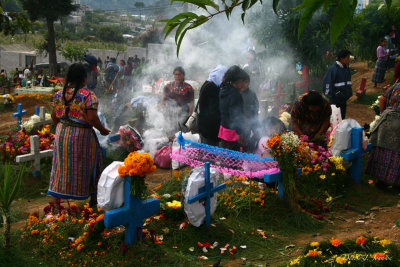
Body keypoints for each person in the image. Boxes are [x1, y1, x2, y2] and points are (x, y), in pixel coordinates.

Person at [49, 63, 111, 204]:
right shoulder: (88, 95)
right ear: (84, 78)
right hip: (81, 136)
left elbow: (54, 117)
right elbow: (91, 118)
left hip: (61, 133)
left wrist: (63, 128)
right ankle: (93, 199)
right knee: (88, 164)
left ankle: (55, 202)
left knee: (61, 166)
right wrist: (102, 130)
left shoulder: (59, 94)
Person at [366, 84, 400, 188]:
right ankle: (394, 182)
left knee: (383, 150)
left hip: (387, 118)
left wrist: (383, 113)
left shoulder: (397, 85)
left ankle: (380, 181)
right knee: (396, 152)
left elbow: (382, 99)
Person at [218, 66, 249, 151]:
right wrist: (239, 133)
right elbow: (235, 116)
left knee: (226, 155)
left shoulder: (223, 89)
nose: (243, 84)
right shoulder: (235, 94)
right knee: (233, 158)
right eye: (243, 81)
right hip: (233, 132)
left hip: (224, 128)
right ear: (238, 80)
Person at [198, 65, 227, 146]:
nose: (224, 80)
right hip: (210, 127)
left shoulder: (207, 84)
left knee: (206, 148)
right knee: (210, 151)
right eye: (224, 77)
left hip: (204, 124)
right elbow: (214, 110)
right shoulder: (212, 88)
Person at [322, 49, 353, 119]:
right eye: (347, 58)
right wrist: (334, 95)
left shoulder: (347, 69)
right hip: (335, 102)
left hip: (343, 101)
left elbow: (348, 83)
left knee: (342, 118)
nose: (349, 60)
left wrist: (349, 93)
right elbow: (327, 85)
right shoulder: (333, 70)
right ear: (342, 59)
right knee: (335, 119)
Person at [161, 67, 194, 131]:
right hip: (170, 113)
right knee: (170, 130)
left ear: (183, 75)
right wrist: (162, 109)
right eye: (175, 74)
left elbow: (191, 101)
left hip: (184, 114)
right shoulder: (168, 86)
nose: (177, 76)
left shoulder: (188, 87)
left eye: (179, 74)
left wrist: (190, 113)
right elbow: (164, 98)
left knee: (182, 131)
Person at [241, 71, 260, 152]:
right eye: (243, 82)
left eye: (247, 82)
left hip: (249, 122)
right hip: (239, 123)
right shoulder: (237, 93)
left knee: (247, 141)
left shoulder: (251, 93)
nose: (245, 84)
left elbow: (256, 106)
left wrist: (253, 118)